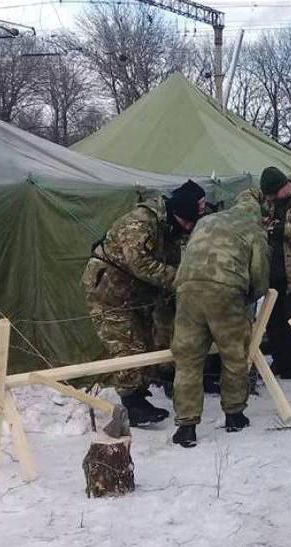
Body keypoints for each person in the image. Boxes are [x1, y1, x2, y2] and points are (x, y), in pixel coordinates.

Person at [81, 180, 204, 427]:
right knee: (126, 347)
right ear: (176, 214)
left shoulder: (168, 226)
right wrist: (183, 279)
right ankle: (133, 404)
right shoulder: (139, 223)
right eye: (187, 223)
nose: (188, 228)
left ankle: (140, 390)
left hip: (137, 295)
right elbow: (142, 265)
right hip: (108, 294)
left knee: (147, 341)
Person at [170, 200, 269, 447]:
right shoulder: (254, 229)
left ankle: (186, 426)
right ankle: (234, 414)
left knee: (187, 358)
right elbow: (259, 273)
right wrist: (250, 297)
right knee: (233, 354)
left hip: (187, 290)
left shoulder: (205, 221)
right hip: (226, 292)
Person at [237, 167, 291, 380]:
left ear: (285, 186)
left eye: (274, 195)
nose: (272, 200)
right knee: (273, 323)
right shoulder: (270, 199)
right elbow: (248, 195)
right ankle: (280, 360)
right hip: (272, 272)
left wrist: (282, 229)